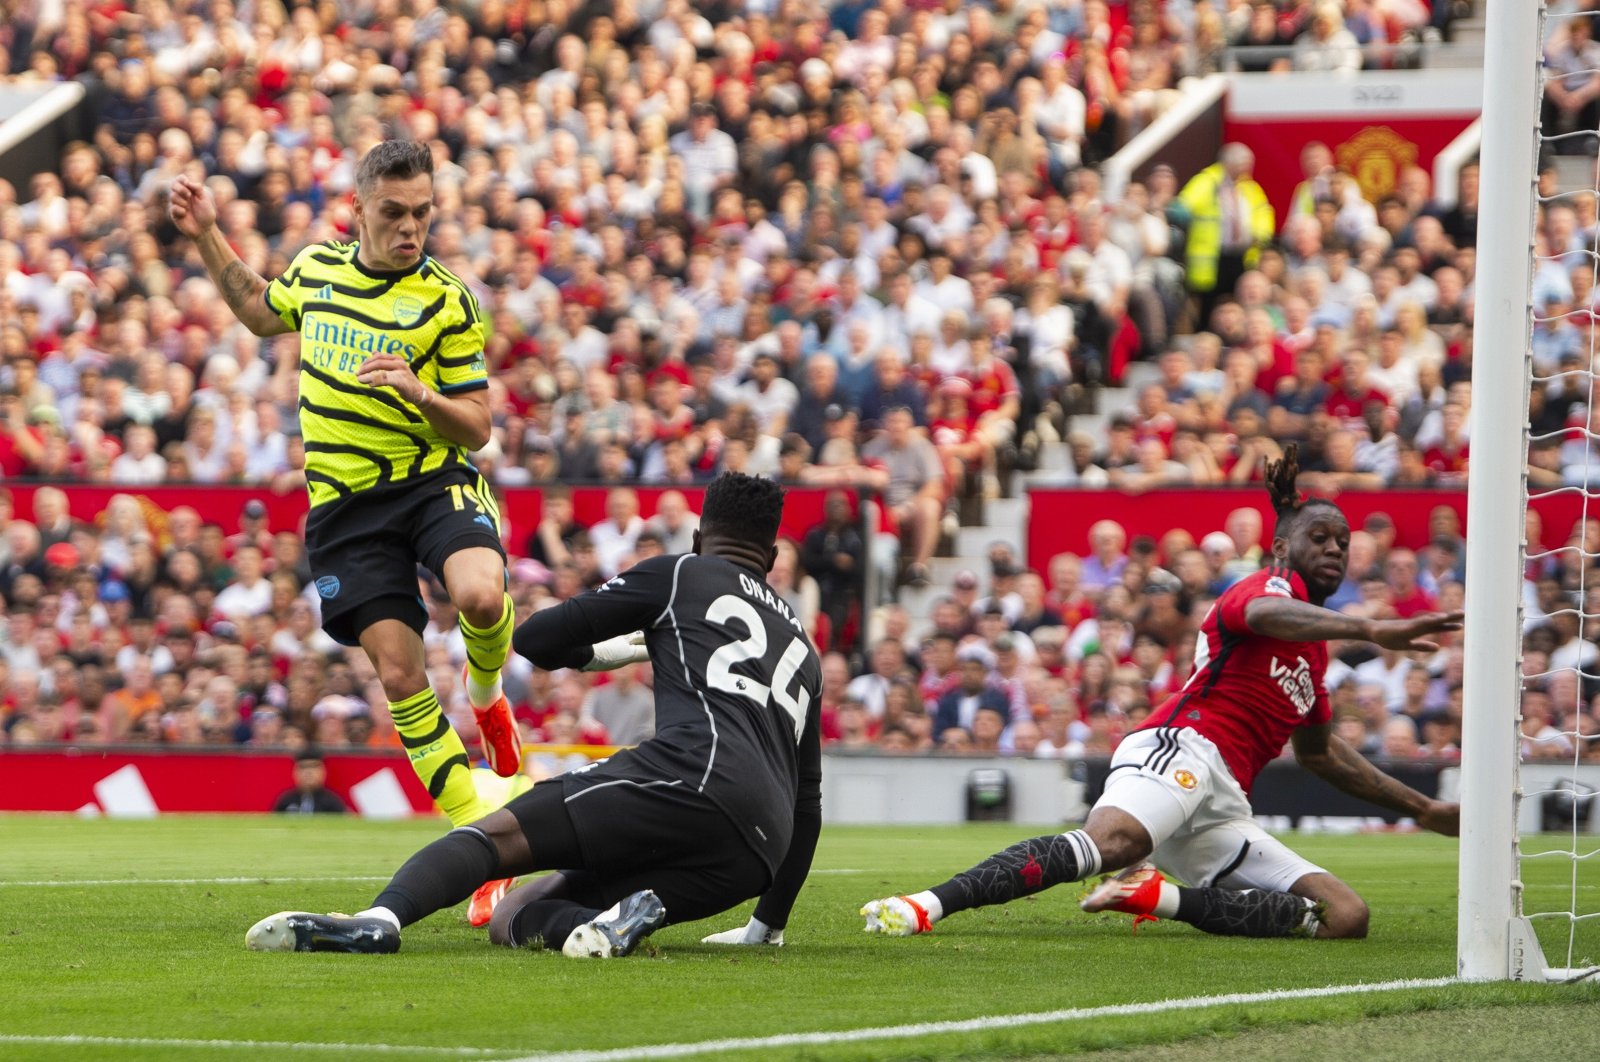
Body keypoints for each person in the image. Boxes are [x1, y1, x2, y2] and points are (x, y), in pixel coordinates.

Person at [861, 444, 1462, 942]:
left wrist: (1424, 809)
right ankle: (924, 905)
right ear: (1283, 546)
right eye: (1320, 537)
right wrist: (1370, 627)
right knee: (1113, 843)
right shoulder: (1266, 586)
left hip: (1223, 804)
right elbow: (1265, 612)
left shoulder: (1312, 651)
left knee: (1345, 916)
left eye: (1342, 541)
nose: (1334, 548)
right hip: (1181, 750)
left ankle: (1158, 896)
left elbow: (1320, 754)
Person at [246, 473, 823, 959]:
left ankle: (381, 919)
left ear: (698, 537)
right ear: (771, 559)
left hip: (686, 779)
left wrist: (613, 651)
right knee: (515, 918)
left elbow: (537, 638)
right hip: (754, 854)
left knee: (492, 837)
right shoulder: (802, 643)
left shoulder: (680, 574)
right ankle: (618, 919)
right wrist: (765, 925)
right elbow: (808, 804)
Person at [170, 140, 521, 923]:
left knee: (481, 597)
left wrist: (422, 393)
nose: (411, 228)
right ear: (357, 209)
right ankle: (486, 838)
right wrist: (204, 234)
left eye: (423, 213)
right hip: (345, 509)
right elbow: (262, 310)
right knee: (398, 673)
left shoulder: (447, 301)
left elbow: (478, 430)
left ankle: (489, 695)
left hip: (431, 482)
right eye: (394, 213)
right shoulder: (318, 270)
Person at [271, 751, 350, 815]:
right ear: (295, 772)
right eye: (303, 767)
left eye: (314, 766)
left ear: (323, 771)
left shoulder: (332, 802)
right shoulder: (286, 801)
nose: (308, 772)